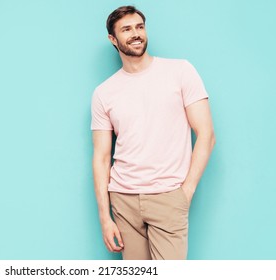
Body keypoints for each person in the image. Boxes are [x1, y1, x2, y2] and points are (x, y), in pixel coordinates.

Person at [91, 5, 216, 260]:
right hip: (123, 199)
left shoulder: (180, 71)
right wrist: (105, 217)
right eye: (126, 29)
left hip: (168, 197)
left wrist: (186, 191)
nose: (136, 34)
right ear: (113, 39)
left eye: (140, 27)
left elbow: (206, 134)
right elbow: (102, 157)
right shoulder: (103, 92)